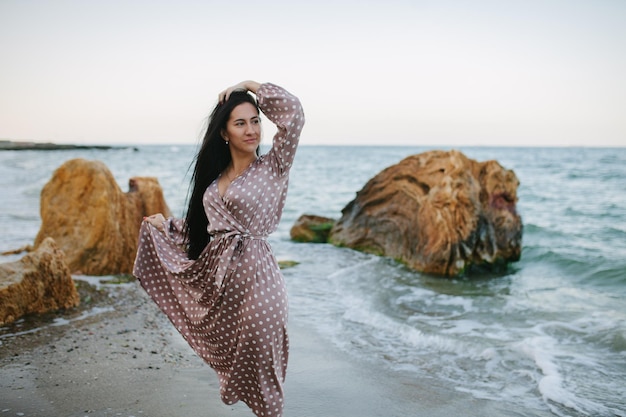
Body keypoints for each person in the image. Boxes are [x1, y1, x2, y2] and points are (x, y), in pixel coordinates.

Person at [133, 80, 305, 417]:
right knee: (237, 358)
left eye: (255, 120)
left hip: (261, 281)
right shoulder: (213, 183)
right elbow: (207, 233)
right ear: (225, 133)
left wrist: (252, 86)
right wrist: (166, 226)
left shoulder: (274, 166)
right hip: (222, 287)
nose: (251, 129)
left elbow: (294, 115)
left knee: (263, 361)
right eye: (240, 123)